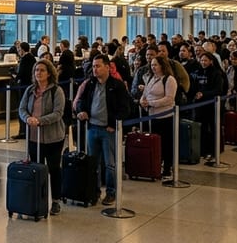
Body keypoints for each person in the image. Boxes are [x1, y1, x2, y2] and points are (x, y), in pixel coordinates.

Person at [74, 56, 133, 206]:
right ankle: (94, 191)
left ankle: (111, 192)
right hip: (92, 128)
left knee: (110, 164)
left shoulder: (117, 85)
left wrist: (114, 123)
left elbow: (126, 108)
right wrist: (82, 111)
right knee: (94, 163)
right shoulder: (90, 84)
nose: (95, 69)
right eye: (93, 66)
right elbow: (81, 101)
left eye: (98, 66)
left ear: (107, 67)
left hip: (109, 130)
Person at [17, 59, 66, 216]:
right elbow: (22, 108)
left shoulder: (56, 91)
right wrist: (27, 119)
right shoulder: (30, 90)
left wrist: (40, 121)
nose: (38, 73)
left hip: (53, 137)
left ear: (49, 73)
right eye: (36, 70)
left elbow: (58, 113)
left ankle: (56, 200)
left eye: (42, 70)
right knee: (37, 169)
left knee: (53, 168)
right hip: (33, 137)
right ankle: (39, 199)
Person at [140, 56, 177, 181]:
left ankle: (167, 168)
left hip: (165, 116)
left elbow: (169, 98)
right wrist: (143, 101)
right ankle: (156, 166)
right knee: (155, 143)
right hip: (152, 115)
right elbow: (146, 93)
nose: (153, 67)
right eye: (152, 65)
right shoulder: (151, 78)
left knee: (166, 143)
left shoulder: (169, 79)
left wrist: (152, 103)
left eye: (155, 65)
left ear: (162, 65)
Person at [11, 42, 35, 139]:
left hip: (24, 86)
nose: (18, 51)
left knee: (23, 107)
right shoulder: (32, 58)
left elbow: (21, 73)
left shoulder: (25, 59)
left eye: (19, 49)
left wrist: (14, 76)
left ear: (22, 50)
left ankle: (23, 131)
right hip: (29, 85)